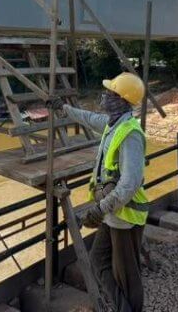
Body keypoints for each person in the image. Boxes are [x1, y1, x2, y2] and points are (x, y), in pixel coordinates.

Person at [61, 72, 148, 312]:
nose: (105, 96)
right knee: (98, 261)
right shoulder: (114, 124)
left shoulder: (130, 134)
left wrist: (99, 210)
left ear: (122, 100)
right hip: (113, 214)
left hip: (124, 217)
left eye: (111, 93)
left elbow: (130, 184)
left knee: (128, 277)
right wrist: (64, 108)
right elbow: (89, 118)